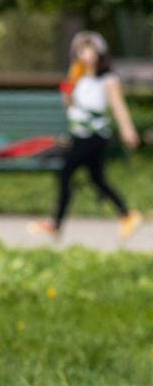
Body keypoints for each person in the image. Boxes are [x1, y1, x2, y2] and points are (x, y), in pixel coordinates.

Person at [31, 30, 142, 241]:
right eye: (81, 50)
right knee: (97, 180)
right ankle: (126, 215)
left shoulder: (108, 80)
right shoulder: (78, 77)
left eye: (89, 49)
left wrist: (128, 129)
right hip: (79, 133)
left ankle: (56, 223)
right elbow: (70, 105)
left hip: (95, 136)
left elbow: (118, 107)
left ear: (99, 53)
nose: (85, 54)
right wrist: (68, 87)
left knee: (65, 171)